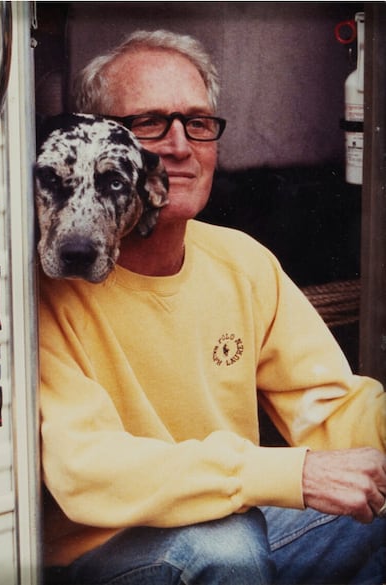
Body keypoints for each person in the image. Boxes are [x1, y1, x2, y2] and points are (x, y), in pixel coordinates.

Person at [40, 30, 386, 585]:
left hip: (228, 523)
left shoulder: (241, 261)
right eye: (150, 122)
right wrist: (284, 475)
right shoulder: (51, 286)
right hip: (100, 555)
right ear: (98, 139)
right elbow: (85, 470)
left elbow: (327, 406)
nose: (179, 145)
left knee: (371, 518)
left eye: (197, 123)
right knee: (228, 548)